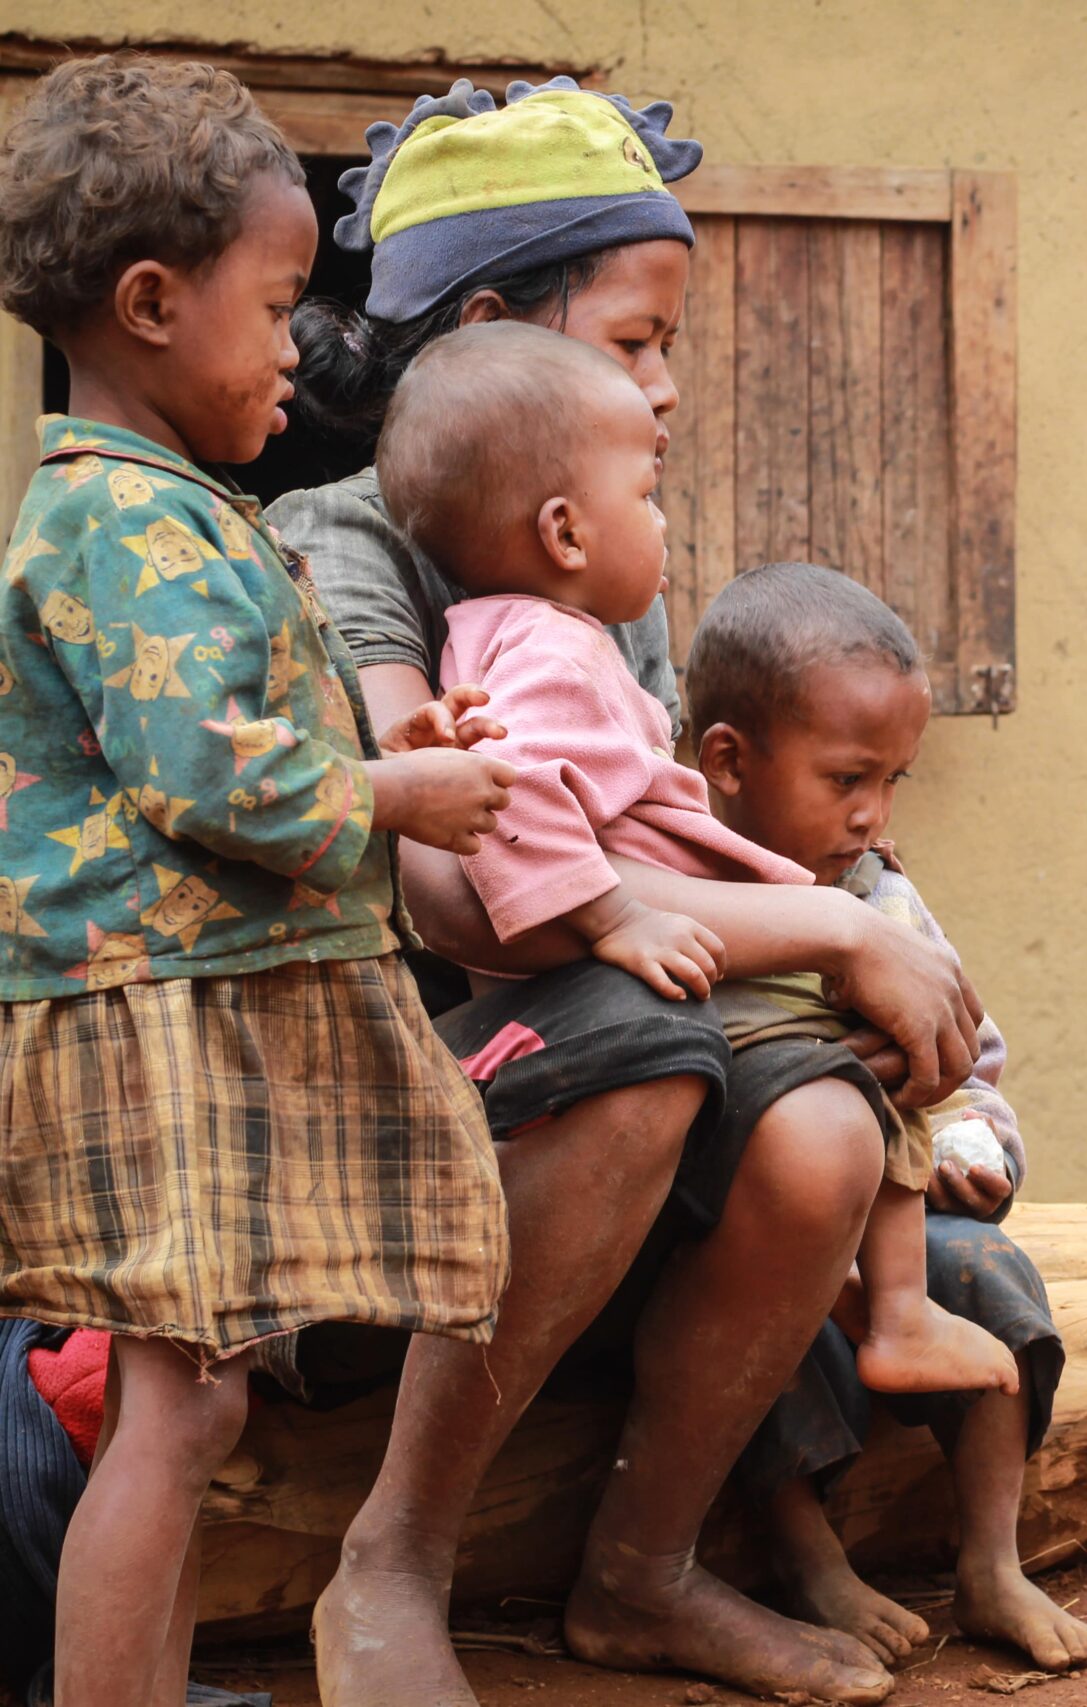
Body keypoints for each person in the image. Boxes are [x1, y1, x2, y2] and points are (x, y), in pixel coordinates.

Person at [270, 77, 985, 1707]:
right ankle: (394, 1554)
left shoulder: (591, 570)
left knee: (816, 1125)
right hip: (379, 1090)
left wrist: (845, 969)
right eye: (637, 340)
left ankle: (641, 1570)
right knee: (637, 1045)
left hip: (567, 1041)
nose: (666, 389)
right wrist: (828, 928)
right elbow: (470, 901)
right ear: (497, 326)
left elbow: (648, 853)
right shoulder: (348, 542)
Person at [0, 56, 516, 1707]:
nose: (299, 346)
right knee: (174, 1407)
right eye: (280, 304)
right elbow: (219, 775)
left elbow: (233, 725)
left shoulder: (166, 511)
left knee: (191, 1401)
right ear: (152, 303)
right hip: (146, 1010)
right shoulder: (125, 526)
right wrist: (400, 789)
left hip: (175, 1001)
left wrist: (386, 728)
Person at [371, 323, 1020, 1398]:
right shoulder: (550, 649)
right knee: (861, 1055)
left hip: (638, 982)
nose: (664, 522)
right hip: (639, 995)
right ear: (566, 532)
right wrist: (619, 918)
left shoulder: (506, 637)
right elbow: (515, 800)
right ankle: (897, 1308)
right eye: (647, 495)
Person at [684, 562, 1087, 1677]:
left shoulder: (883, 900)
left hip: (906, 1236)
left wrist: (968, 1145)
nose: (872, 814)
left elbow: (974, 1067)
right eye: (845, 778)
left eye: (893, 780)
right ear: (726, 760)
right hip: (766, 1245)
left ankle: (991, 1562)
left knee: (995, 1277)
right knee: (753, 1331)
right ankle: (808, 1557)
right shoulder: (681, 894)